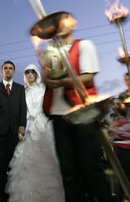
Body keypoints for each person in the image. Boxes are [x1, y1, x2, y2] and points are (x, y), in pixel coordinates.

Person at [43, 11, 114, 202]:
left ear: (73, 24)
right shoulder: (52, 50)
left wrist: (62, 82)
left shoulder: (84, 45)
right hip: (59, 117)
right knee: (68, 173)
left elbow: (88, 77)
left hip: (81, 114)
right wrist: (45, 68)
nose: (62, 25)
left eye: (66, 21)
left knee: (90, 169)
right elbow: (47, 80)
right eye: (59, 23)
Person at [6, 64, 65, 202]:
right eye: (27, 72)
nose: (30, 74)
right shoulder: (23, 92)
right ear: (25, 75)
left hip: (43, 125)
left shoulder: (43, 89)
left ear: (37, 74)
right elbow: (21, 111)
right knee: (26, 163)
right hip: (27, 126)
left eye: (33, 72)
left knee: (46, 161)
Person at [0, 61, 27, 202]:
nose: (8, 70)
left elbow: (23, 109)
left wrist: (22, 125)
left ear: (14, 72)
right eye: (6, 68)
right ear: (2, 71)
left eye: (10, 68)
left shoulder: (20, 89)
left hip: (14, 131)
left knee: (12, 165)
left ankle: (10, 193)